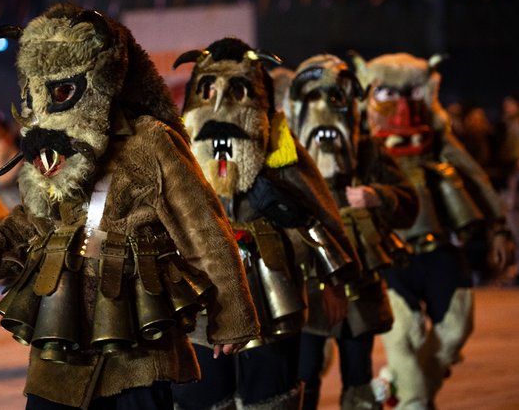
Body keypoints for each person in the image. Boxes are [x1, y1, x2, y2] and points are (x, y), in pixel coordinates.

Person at [0, 3, 259, 410]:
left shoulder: (151, 141)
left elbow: (203, 230)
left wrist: (232, 314)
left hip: (138, 340)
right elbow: (28, 228)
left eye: (62, 90)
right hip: (62, 333)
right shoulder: (48, 151)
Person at [170, 38, 362, 409]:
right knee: (200, 397)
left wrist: (336, 283)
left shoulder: (279, 145)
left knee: (269, 396)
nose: (221, 103)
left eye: (237, 90)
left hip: (272, 294)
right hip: (200, 294)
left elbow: (319, 210)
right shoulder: (179, 147)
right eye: (207, 89)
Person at [352, 52, 515, 409]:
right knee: (402, 337)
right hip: (390, 253)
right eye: (388, 94)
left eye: (410, 93)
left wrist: (499, 228)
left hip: (440, 248)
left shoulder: (438, 141)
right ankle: (414, 402)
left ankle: (395, 382)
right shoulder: (361, 145)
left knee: (454, 331)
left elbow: (475, 177)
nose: (401, 106)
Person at [286, 54, 418, 409]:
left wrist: (378, 196)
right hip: (309, 281)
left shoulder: (368, 150)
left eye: (335, 97)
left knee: (357, 371)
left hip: (360, 280)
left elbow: (409, 203)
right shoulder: (288, 153)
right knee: (305, 371)